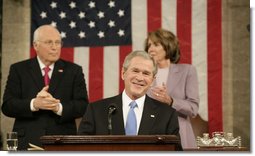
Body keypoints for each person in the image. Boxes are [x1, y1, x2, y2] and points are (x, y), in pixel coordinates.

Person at [1, 25, 89, 150]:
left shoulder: (73, 71)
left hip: (62, 142)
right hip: (27, 141)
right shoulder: (19, 70)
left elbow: (83, 106)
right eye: (49, 42)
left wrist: (58, 107)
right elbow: (7, 106)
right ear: (36, 45)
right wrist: (34, 104)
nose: (54, 47)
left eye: (58, 42)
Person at [78, 50, 181, 147]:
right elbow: (81, 149)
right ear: (123, 73)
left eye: (146, 73)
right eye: (135, 71)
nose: (140, 78)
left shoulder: (167, 115)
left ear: (152, 80)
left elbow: (175, 151)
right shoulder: (96, 110)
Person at [144, 28, 199, 148]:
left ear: (168, 46)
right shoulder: (144, 74)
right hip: (150, 136)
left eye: (156, 45)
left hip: (179, 136)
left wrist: (171, 101)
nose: (151, 49)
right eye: (149, 45)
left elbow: (193, 108)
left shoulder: (187, 71)